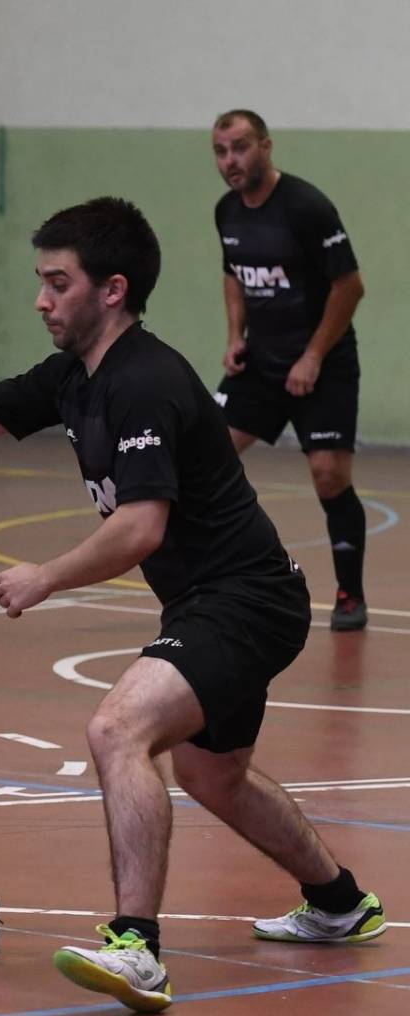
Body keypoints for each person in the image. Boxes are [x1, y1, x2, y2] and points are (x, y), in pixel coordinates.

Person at [0, 197, 386, 1013]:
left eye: (58, 283)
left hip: (246, 600)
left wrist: (45, 576)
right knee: (215, 775)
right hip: (216, 602)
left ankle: (137, 948)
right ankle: (341, 902)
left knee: (117, 729)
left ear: (112, 290)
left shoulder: (146, 382)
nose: (41, 300)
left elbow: (140, 526)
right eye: (40, 281)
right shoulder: (72, 377)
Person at [211, 109, 368, 630]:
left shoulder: (306, 206)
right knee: (204, 451)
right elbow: (234, 275)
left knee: (328, 475)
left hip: (323, 361)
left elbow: (350, 287)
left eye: (240, 147)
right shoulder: (226, 211)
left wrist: (313, 357)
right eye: (220, 151)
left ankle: (350, 594)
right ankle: (217, 578)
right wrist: (236, 336)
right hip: (260, 361)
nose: (230, 161)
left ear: (266, 146)